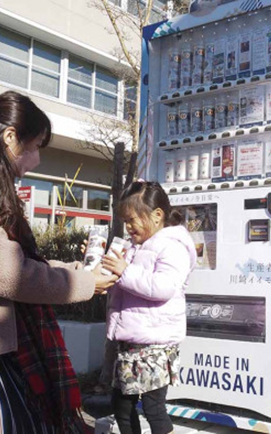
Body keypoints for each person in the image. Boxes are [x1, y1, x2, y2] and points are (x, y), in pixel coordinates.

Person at [0, 91, 117, 434]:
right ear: (10, 138)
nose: (36, 160)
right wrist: (84, 283)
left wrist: (77, 271)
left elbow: (17, 262)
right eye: (36, 146)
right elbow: (9, 272)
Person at [101, 181, 196, 434]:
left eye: (132, 220)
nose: (128, 227)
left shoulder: (173, 246)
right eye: (125, 221)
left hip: (155, 345)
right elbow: (122, 284)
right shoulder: (134, 247)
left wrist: (123, 271)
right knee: (121, 406)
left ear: (157, 215)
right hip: (129, 343)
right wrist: (99, 265)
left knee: (154, 409)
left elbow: (162, 287)